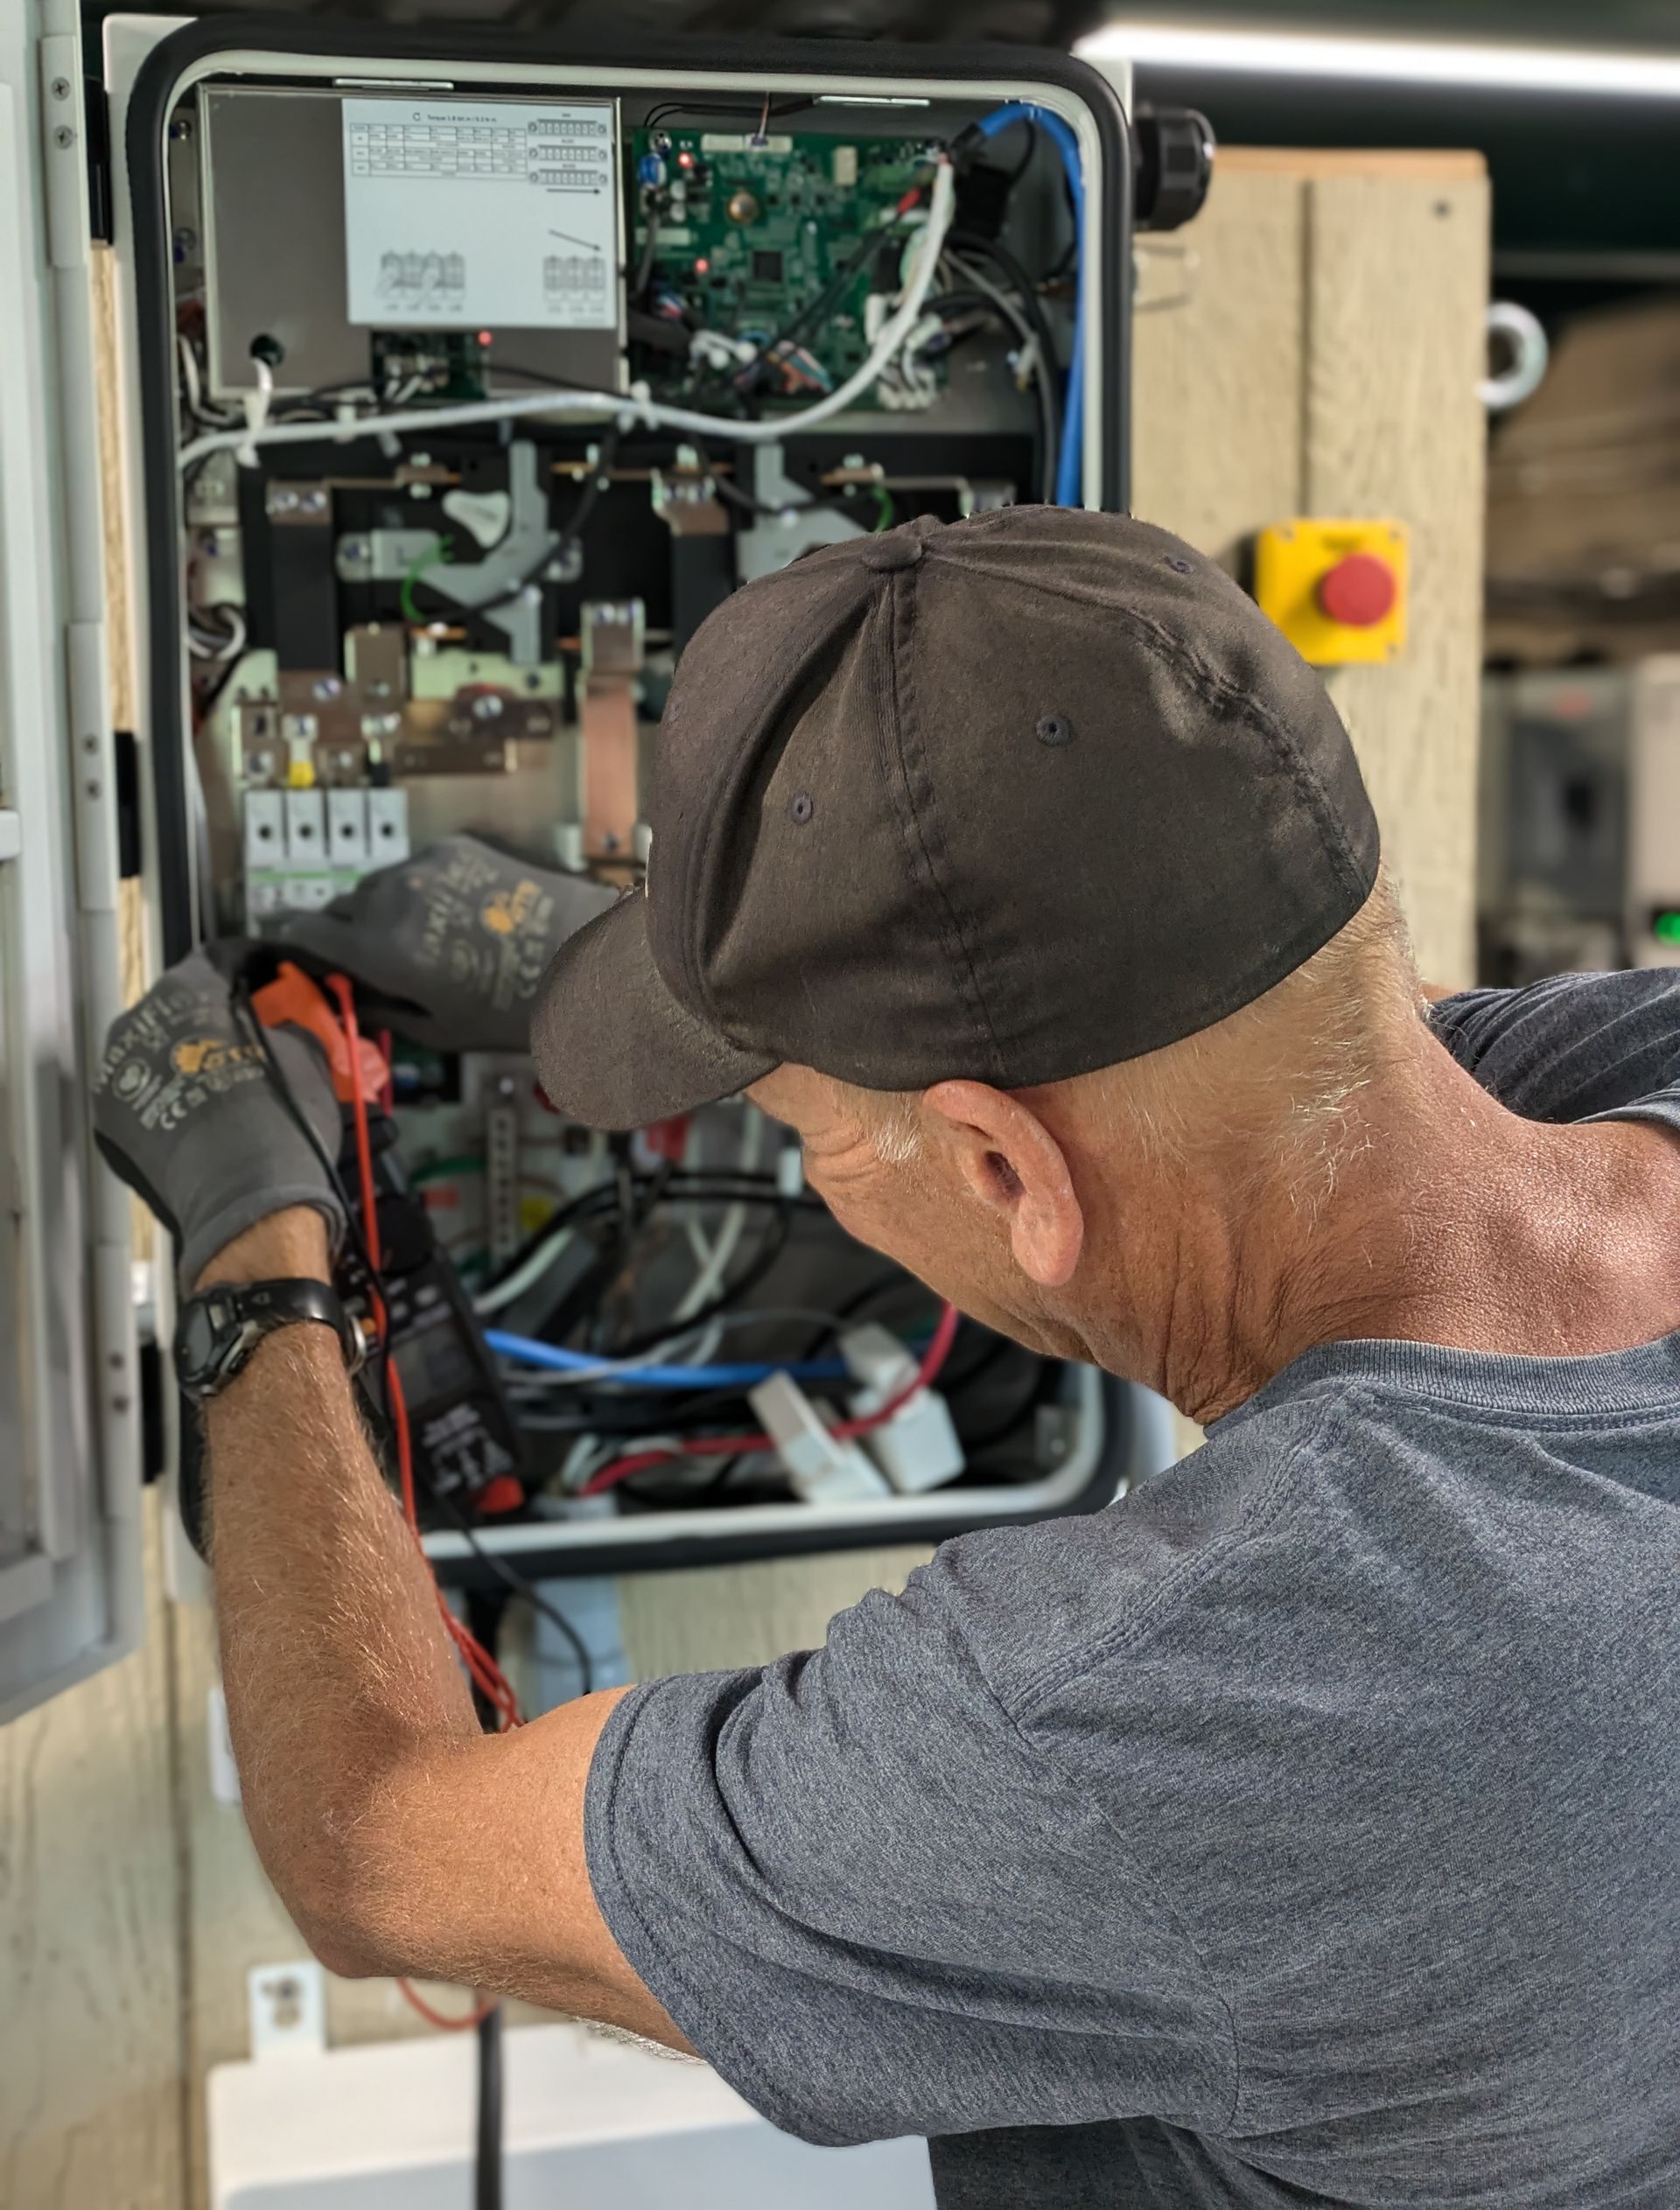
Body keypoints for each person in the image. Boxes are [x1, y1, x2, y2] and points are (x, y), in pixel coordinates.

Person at [94, 509, 1679, 2209]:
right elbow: (1308, 1026)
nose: (811, 1180)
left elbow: (371, 1850)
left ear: (1006, 1174)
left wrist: (254, 1251)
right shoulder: (1622, 1056)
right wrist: (663, 961)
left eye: (801, 1138)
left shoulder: (1183, 1705)